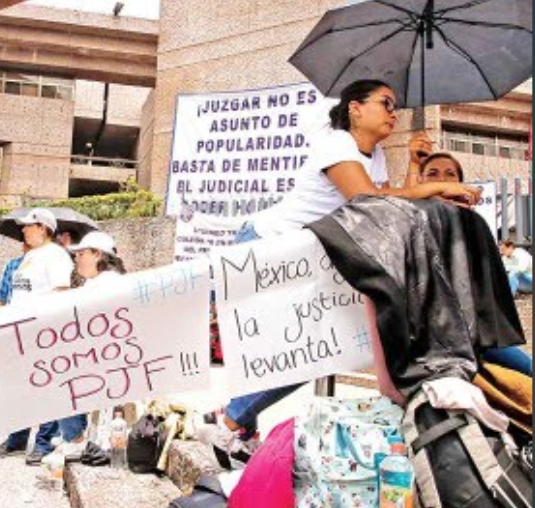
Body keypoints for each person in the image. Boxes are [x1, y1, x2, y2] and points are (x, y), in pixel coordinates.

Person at [202, 79, 483, 466]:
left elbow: (386, 210)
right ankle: (233, 422)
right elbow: (365, 198)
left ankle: (234, 423)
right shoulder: (335, 143)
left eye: (395, 106)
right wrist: (434, 187)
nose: (393, 112)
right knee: (282, 349)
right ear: (355, 107)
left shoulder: (377, 155)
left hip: (307, 262)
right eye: (385, 103)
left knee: (309, 351)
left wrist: (418, 169)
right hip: (263, 248)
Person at [414, 157, 532, 377]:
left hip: (476, 338)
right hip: (427, 341)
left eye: (450, 175)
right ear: (419, 181)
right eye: (432, 175)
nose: (442, 181)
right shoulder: (409, 221)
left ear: (460, 182)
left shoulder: (473, 222)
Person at [0, 208, 87, 465]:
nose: (23, 230)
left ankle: (44, 443)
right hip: (20, 331)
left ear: (43, 227)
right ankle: (17, 439)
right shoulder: (30, 257)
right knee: (21, 387)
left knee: (47, 388)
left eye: (28, 225)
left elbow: (61, 293)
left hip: (41, 332)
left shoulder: (56, 256)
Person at [36, 231, 126, 463]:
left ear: (97, 255)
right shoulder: (95, 282)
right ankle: (75, 436)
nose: (76, 258)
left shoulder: (110, 282)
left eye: (81, 253)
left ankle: (75, 439)